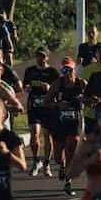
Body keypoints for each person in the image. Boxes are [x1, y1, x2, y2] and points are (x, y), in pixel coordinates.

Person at [45, 57, 87, 196]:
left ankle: (68, 182)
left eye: (69, 69)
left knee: (71, 149)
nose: (66, 72)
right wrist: (57, 105)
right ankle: (62, 166)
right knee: (58, 156)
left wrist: (84, 100)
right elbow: (47, 102)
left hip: (74, 122)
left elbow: (91, 99)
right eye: (64, 69)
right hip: (60, 122)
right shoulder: (58, 83)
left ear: (74, 69)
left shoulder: (81, 83)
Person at [23, 48, 60, 176]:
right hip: (33, 105)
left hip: (47, 107)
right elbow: (25, 85)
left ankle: (46, 164)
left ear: (47, 57)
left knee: (47, 136)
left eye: (43, 56)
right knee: (34, 134)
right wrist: (27, 87)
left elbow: (58, 89)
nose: (40, 58)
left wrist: (49, 88)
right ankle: (36, 161)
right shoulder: (30, 71)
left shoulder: (52, 72)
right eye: (38, 56)